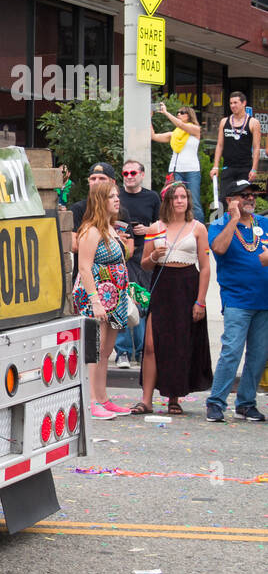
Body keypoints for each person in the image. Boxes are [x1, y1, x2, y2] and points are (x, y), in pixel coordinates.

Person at [131, 182, 211, 415]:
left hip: (187, 285)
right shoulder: (156, 227)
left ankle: (173, 398)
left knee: (179, 344)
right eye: (175, 197)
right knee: (151, 345)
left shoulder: (198, 228)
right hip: (162, 285)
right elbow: (145, 264)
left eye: (183, 197)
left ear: (188, 201)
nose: (179, 201)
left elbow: (205, 268)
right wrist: (155, 254)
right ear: (167, 201)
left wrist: (201, 301)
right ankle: (146, 400)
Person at [204, 180, 268, 423]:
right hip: (238, 300)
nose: (250, 198)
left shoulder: (264, 223)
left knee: (258, 355)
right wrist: (233, 219)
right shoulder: (219, 225)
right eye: (244, 195)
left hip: (264, 300)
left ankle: (246, 403)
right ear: (230, 200)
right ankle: (216, 402)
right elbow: (219, 249)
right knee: (231, 351)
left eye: (252, 194)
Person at [69, 179, 133, 419]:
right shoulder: (91, 230)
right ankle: (91, 400)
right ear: (100, 201)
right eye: (111, 196)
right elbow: (84, 268)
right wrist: (95, 300)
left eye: (117, 196)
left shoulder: (111, 228)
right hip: (97, 295)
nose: (117, 200)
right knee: (93, 350)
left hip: (115, 295)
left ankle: (103, 397)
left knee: (106, 350)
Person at [112, 159, 161, 367]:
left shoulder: (152, 197)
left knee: (141, 299)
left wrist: (147, 230)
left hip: (144, 252)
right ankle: (122, 350)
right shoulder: (116, 197)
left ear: (142, 174)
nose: (129, 176)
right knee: (122, 299)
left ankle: (142, 350)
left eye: (133, 173)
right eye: (126, 173)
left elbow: (161, 224)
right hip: (119, 252)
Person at [152, 102, 203, 222]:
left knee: (194, 202)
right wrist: (149, 116)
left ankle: (199, 230)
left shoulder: (195, 130)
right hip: (175, 170)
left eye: (182, 113)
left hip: (192, 170)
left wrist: (166, 112)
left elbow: (180, 125)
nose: (179, 114)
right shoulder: (174, 134)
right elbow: (153, 136)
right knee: (173, 200)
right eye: (178, 113)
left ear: (190, 115)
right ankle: (175, 225)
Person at [213, 91, 259, 201]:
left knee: (243, 200)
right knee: (224, 199)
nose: (233, 106)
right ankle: (228, 218)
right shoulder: (224, 121)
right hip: (228, 167)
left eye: (235, 102)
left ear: (244, 103)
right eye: (231, 103)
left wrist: (254, 169)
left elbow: (256, 147)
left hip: (245, 168)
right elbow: (219, 145)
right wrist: (215, 166)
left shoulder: (253, 122)